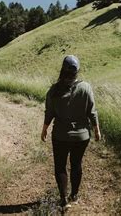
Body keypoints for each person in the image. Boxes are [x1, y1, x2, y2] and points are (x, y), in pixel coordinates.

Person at [41, 55, 101, 210]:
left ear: (62, 69)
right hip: (82, 137)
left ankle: (63, 200)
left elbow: (49, 113)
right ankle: (74, 195)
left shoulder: (54, 90)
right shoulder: (86, 87)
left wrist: (44, 129)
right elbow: (92, 112)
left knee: (60, 166)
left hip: (60, 136)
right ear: (77, 71)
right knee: (76, 164)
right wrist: (96, 130)